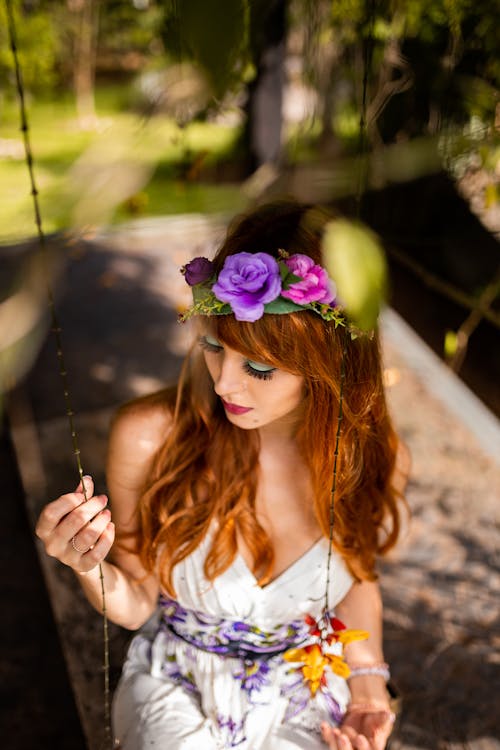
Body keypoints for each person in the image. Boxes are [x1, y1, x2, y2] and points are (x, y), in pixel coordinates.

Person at [36, 201, 406, 750]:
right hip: (178, 690)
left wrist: (370, 687)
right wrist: (87, 566)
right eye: (213, 347)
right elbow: (137, 603)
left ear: (330, 365)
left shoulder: (371, 457)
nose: (225, 384)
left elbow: (356, 576)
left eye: (258, 368)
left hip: (303, 682)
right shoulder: (149, 436)